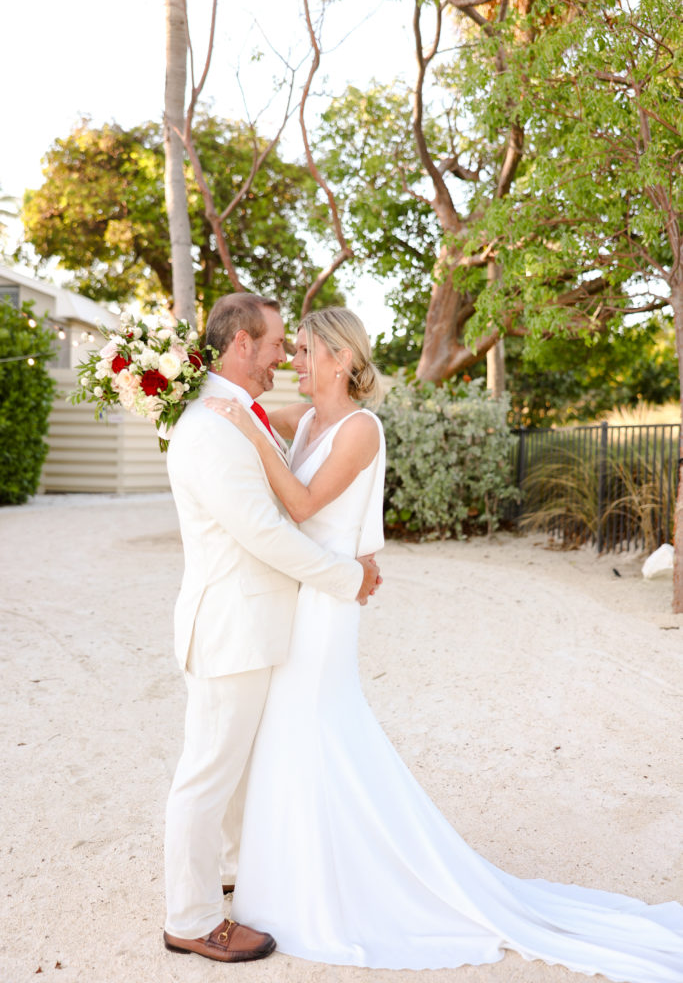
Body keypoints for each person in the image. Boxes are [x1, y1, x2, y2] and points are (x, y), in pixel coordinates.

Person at [205, 306, 683, 982]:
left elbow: (305, 504)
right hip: (302, 592)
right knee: (292, 733)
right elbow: (247, 412)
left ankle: (336, 880)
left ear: (343, 359)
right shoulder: (303, 419)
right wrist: (206, 393)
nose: (294, 362)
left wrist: (251, 442)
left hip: (328, 603)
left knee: (315, 723)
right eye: (295, 350)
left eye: (307, 351)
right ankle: (294, 872)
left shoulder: (359, 429)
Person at [162, 294, 381, 964]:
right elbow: (262, 533)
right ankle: (193, 918)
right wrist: (347, 577)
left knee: (237, 769)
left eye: (299, 346)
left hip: (254, 623)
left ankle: (232, 876)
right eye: (278, 343)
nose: (286, 356)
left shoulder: (239, 416)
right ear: (239, 347)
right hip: (233, 624)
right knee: (207, 774)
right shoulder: (211, 426)